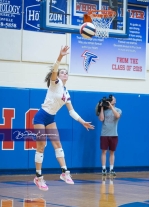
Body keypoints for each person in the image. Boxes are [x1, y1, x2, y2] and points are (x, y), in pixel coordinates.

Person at [33, 45, 94, 191]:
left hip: (50, 119)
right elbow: (54, 70)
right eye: (62, 72)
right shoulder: (55, 83)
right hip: (41, 117)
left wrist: (82, 122)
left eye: (66, 72)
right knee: (41, 146)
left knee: (58, 145)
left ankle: (64, 173)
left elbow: (71, 112)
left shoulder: (66, 93)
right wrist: (60, 57)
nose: (64, 73)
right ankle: (38, 177)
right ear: (59, 76)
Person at [98, 95, 122, 176]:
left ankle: (111, 169)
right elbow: (101, 119)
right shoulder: (104, 111)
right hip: (104, 134)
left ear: (114, 101)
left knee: (112, 152)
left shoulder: (118, 110)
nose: (111, 100)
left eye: (112, 99)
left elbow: (117, 116)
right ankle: (103, 169)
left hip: (114, 134)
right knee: (104, 151)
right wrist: (101, 107)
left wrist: (111, 106)